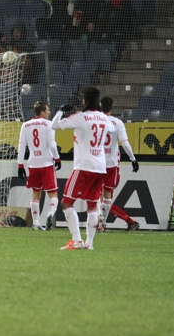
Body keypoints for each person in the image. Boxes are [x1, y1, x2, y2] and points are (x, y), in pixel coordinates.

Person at [51, 85, 114, 250]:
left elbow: (54, 126)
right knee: (92, 205)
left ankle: (77, 240)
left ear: (85, 100)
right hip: (100, 167)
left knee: (66, 202)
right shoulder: (104, 118)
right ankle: (89, 243)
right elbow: (112, 129)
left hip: (84, 166)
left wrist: (60, 111)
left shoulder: (81, 117)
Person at [97, 96, 139, 232]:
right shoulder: (117, 122)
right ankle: (108, 223)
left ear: (99, 106)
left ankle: (102, 224)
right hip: (111, 164)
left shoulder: (94, 121)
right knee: (106, 196)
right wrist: (133, 159)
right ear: (112, 107)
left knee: (99, 197)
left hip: (96, 163)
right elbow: (125, 143)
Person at [17, 101, 61, 231]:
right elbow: (52, 144)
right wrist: (57, 158)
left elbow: (21, 146)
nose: (49, 112)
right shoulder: (49, 124)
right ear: (42, 112)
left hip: (33, 164)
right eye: (47, 110)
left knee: (36, 194)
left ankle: (36, 222)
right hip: (46, 163)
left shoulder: (25, 125)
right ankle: (50, 215)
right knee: (53, 194)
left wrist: (20, 165)